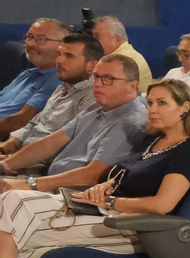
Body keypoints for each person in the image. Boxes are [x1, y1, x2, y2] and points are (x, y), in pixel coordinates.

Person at [0, 78, 190, 258]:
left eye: (162, 103)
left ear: (185, 107)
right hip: (98, 207)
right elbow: (128, 172)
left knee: (15, 215)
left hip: (128, 225)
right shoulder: (155, 138)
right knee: (14, 212)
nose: (153, 110)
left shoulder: (188, 152)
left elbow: (162, 205)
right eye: (150, 103)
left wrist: (110, 202)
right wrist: (107, 186)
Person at [0, 52, 147, 192]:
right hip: (50, 180)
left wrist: (30, 185)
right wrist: (5, 166)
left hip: (72, 193)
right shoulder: (96, 107)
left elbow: (91, 176)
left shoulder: (130, 123)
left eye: (108, 79)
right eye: (96, 76)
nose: (97, 84)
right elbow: (50, 143)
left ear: (132, 86)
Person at [0, 31, 97, 156]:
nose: (59, 60)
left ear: (92, 66)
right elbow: (32, 125)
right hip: (19, 155)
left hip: (38, 165)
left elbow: (67, 149)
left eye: (69, 56)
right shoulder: (62, 87)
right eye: (59, 54)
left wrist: (10, 162)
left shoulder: (92, 97)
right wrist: (4, 149)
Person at [0, 19, 68, 138]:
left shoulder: (58, 80)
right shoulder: (27, 74)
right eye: (29, 37)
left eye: (41, 39)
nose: (30, 44)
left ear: (63, 45)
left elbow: (23, 121)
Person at [90, 15, 153, 93]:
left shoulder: (123, 60)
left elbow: (104, 92)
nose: (92, 41)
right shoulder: (125, 53)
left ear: (117, 39)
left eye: (97, 37)